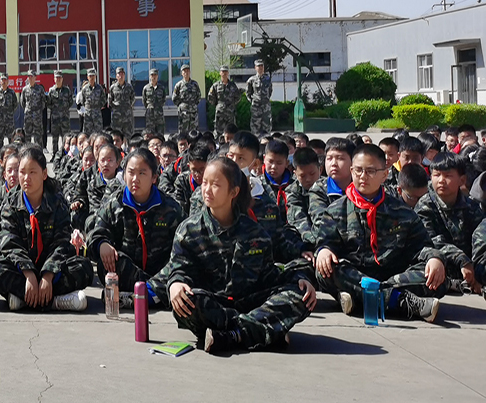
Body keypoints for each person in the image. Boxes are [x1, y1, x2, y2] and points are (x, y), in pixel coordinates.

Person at [165, 157, 315, 354]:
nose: (207, 190)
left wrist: (300, 278)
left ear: (234, 192)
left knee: (300, 296)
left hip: (252, 303)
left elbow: (270, 276)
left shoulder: (255, 232)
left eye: (216, 185)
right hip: (213, 304)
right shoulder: (188, 230)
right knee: (188, 300)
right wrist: (175, 283)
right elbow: (179, 269)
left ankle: (232, 335)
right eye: (205, 183)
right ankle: (262, 331)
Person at [312, 144, 447, 322]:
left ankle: (363, 298)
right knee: (325, 270)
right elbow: (325, 243)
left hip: (394, 275)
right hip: (355, 274)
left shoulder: (401, 210)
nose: (363, 176)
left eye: (370, 171)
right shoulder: (335, 211)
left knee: (438, 277)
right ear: (351, 171)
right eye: (358, 170)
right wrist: (323, 251)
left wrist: (434, 258)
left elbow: (422, 246)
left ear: (385, 174)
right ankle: (400, 301)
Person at [0, 144, 90, 311]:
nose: (25, 178)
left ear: (44, 174)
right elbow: (9, 242)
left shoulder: (57, 202)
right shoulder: (11, 202)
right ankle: (54, 300)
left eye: (32, 172)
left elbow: (62, 243)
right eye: (22, 172)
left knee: (83, 266)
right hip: (21, 269)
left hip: (52, 269)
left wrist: (48, 274)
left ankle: (25, 298)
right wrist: (28, 273)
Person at [84, 148, 184, 302]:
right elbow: (95, 231)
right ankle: (152, 295)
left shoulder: (170, 208)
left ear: (154, 177)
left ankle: (143, 295)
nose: (135, 179)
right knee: (110, 264)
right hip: (128, 272)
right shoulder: (115, 204)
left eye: (142, 173)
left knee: (180, 268)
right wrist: (101, 243)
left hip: (161, 272)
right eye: (130, 173)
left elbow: (182, 248)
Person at [415, 152, 484, 294]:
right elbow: (431, 241)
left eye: (448, 176)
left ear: (462, 180)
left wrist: (476, 271)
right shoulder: (425, 206)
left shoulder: (472, 206)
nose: (441, 180)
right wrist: (462, 259)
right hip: (441, 264)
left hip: (469, 268)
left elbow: (480, 241)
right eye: (436, 175)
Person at [47, 71, 74, 154]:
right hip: (55, 118)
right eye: (56, 78)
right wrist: (56, 109)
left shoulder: (67, 90)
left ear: (62, 79)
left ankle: (64, 154)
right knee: (54, 138)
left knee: (65, 138)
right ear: (54, 79)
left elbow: (70, 102)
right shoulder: (51, 91)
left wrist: (63, 109)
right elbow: (48, 103)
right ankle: (54, 154)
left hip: (65, 118)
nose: (58, 79)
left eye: (59, 78)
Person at [0, 76, 19, 161]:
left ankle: (12, 157)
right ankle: (1, 157)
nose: (3, 82)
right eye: (2, 80)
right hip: (0, 121)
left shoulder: (12, 93)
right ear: (0, 81)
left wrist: (9, 113)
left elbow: (15, 105)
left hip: (9, 120)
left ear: (8, 82)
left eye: (5, 80)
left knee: (11, 140)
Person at [171, 64, 202, 136]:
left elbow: (199, 96)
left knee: (194, 131)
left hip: (193, 112)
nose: (186, 73)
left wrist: (193, 105)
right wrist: (182, 105)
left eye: (188, 71)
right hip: (183, 113)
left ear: (190, 72)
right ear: (182, 73)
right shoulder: (179, 85)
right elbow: (174, 98)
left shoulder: (195, 84)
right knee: (183, 131)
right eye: (184, 71)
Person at [207, 66, 239, 133]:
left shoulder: (233, 85)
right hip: (220, 112)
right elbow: (210, 97)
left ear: (228, 73)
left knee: (231, 130)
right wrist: (218, 105)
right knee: (219, 131)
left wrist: (231, 104)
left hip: (230, 113)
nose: (224, 73)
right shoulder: (216, 85)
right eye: (222, 71)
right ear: (220, 73)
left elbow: (237, 97)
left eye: (226, 71)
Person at [75, 69, 106, 136]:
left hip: (97, 113)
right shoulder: (85, 88)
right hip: (88, 114)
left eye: (93, 76)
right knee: (87, 133)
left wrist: (98, 106)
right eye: (90, 76)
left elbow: (103, 99)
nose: (92, 77)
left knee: (99, 133)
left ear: (95, 77)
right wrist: (88, 106)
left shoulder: (99, 88)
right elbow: (82, 100)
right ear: (87, 77)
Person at [247, 59, 273, 137]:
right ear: (255, 67)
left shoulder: (268, 79)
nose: (260, 67)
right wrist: (254, 101)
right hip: (256, 107)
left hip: (266, 107)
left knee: (267, 126)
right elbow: (248, 93)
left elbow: (270, 91)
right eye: (258, 66)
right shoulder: (251, 80)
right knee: (255, 127)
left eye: (262, 66)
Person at [20, 74, 47, 147]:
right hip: (28, 117)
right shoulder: (25, 89)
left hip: (37, 116)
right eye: (29, 77)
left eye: (32, 77)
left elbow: (43, 102)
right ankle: (27, 154)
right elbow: (22, 102)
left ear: (35, 78)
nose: (31, 78)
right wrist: (28, 110)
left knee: (38, 137)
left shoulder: (40, 89)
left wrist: (38, 111)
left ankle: (38, 155)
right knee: (27, 136)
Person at [108, 67, 135, 140]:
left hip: (127, 117)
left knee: (128, 137)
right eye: (119, 74)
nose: (121, 75)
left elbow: (132, 99)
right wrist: (116, 108)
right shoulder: (113, 87)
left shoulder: (129, 87)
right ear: (116, 76)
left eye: (122, 74)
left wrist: (127, 107)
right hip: (117, 118)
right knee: (116, 136)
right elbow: (110, 100)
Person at [142, 68, 168, 137]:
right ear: (150, 76)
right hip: (150, 115)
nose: (153, 77)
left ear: (157, 76)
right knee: (150, 134)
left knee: (160, 134)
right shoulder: (146, 88)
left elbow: (164, 99)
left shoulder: (161, 88)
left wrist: (158, 107)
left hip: (159, 114)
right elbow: (144, 100)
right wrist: (150, 107)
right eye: (152, 75)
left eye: (155, 75)